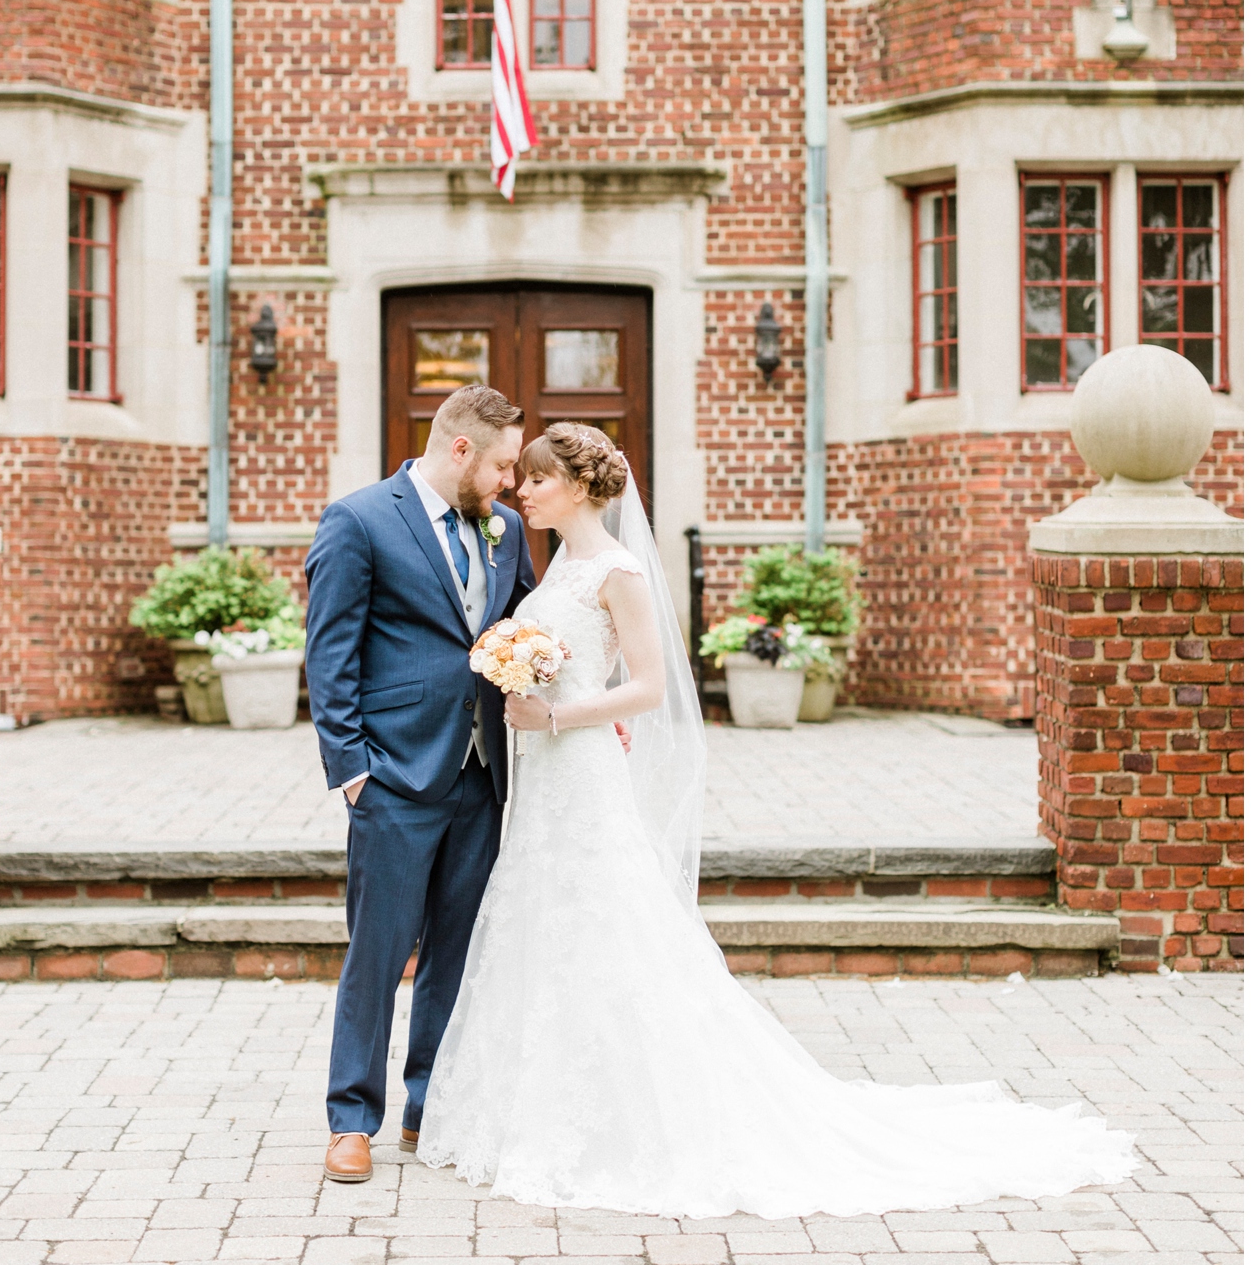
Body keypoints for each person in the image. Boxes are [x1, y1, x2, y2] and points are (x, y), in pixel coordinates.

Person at [419, 422, 1137, 1220]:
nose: (524, 490)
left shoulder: (618, 572)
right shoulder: (555, 567)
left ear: (580, 488)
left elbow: (652, 687)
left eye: (540, 479)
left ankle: (628, 1118)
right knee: (543, 920)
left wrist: (561, 716)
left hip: (579, 769)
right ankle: (537, 1109)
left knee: (604, 917)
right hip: (545, 777)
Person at [303, 385, 535, 1185]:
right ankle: (350, 1118)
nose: (510, 484)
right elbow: (329, 657)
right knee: (377, 952)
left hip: (482, 773)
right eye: (503, 465)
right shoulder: (360, 520)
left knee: (456, 952)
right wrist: (354, 772)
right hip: (394, 775)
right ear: (461, 449)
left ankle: (426, 1103)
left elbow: (531, 629)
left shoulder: (505, 535)